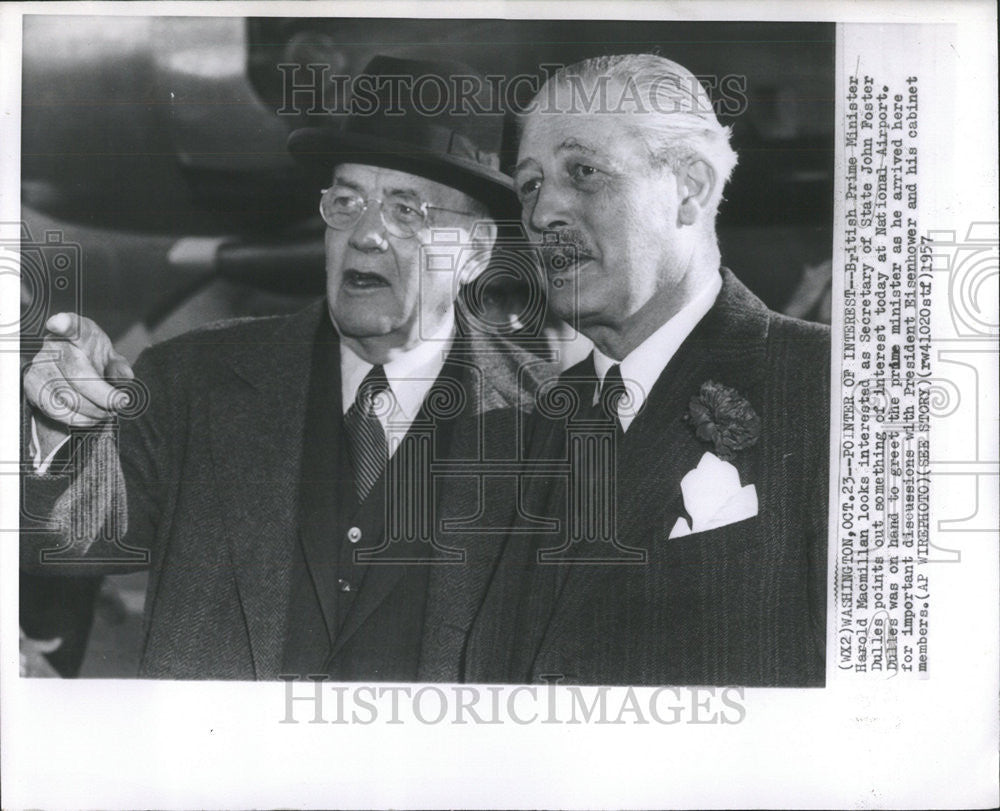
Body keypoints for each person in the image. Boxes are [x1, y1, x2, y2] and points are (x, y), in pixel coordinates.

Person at [21, 55, 552, 681]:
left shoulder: (552, 421)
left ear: (477, 252)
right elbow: (59, 542)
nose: (366, 235)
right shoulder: (193, 380)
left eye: (408, 210)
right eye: (347, 201)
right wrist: (51, 434)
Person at [463, 53, 830, 687]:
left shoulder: (828, 390)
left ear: (690, 190)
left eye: (583, 172)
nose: (542, 213)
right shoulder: (512, 432)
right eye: (529, 184)